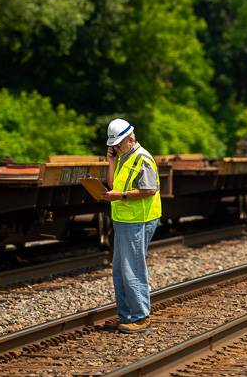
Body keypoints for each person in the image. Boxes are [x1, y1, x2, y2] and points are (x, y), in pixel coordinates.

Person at [102, 118, 161, 334]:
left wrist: (121, 195)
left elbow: (149, 190)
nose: (116, 148)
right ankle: (126, 316)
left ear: (131, 138)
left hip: (139, 220)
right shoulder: (124, 158)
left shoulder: (142, 158)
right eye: (113, 145)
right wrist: (111, 163)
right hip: (125, 220)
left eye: (118, 144)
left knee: (133, 269)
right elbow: (112, 185)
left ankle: (140, 317)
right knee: (120, 270)